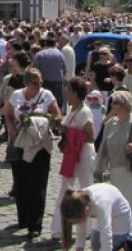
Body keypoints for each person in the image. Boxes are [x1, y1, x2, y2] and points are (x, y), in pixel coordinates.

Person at [6, 68, 62, 239]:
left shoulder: (47, 95)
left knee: (38, 185)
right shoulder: (16, 95)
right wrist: (12, 131)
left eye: (40, 83)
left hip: (39, 145)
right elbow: (8, 115)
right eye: (35, 83)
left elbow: (57, 115)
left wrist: (43, 118)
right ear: (26, 83)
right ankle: (23, 218)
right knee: (21, 183)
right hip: (20, 143)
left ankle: (35, 225)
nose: (39, 86)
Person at [92, 90, 132, 226]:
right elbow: (103, 149)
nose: (112, 106)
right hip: (115, 171)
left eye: (115, 103)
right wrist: (98, 169)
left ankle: (131, 232)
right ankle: (119, 232)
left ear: (123, 105)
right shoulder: (110, 124)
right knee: (117, 204)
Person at [49, 77, 96, 238]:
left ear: (75, 93)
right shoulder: (71, 108)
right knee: (65, 188)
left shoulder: (85, 111)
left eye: (68, 89)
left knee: (87, 189)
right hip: (71, 154)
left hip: (83, 154)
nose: (66, 92)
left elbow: (90, 136)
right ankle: (59, 227)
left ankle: (90, 227)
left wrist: (69, 131)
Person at [59, 184, 132, 251]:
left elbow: (106, 234)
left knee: (112, 245)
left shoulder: (101, 203)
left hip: (120, 219)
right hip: (100, 217)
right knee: (95, 243)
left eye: (76, 222)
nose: (75, 224)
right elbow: (80, 232)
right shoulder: (78, 202)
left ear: (86, 210)